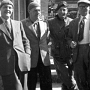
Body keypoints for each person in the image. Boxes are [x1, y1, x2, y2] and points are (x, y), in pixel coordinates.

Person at [0, 0, 31, 90]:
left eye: (10, 8)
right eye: (5, 7)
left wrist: (27, 54)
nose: (7, 9)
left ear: (12, 10)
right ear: (0, 9)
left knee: (24, 87)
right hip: (5, 63)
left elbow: (26, 41)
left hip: (21, 62)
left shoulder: (18, 23)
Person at [21, 2, 52, 90]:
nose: (38, 12)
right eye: (35, 10)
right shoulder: (22, 24)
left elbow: (47, 39)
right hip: (30, 57)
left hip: (43, 57)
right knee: (30, 83)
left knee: (46, 83)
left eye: (39, 10)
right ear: (29, 11)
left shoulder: (44, 23)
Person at [48, 1, 76, 90]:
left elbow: (73, 36)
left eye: (64, 10)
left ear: (67, 10)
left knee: (68, 77)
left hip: (70, 54)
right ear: (57, 11)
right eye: (60, 10)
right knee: (68, 79)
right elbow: (46, 36)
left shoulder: (71, 22)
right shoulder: (50, 22)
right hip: (58, 55)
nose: (62, 12)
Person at [67, 0, 90, 90]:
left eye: (86, 7)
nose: (84, 8)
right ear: (78, 9)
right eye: (81, 7)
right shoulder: (73, 23)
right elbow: (68, 37)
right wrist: (70, 43)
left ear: (89, 8)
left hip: (88, 49)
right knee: (79, 76)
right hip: (78, 51)